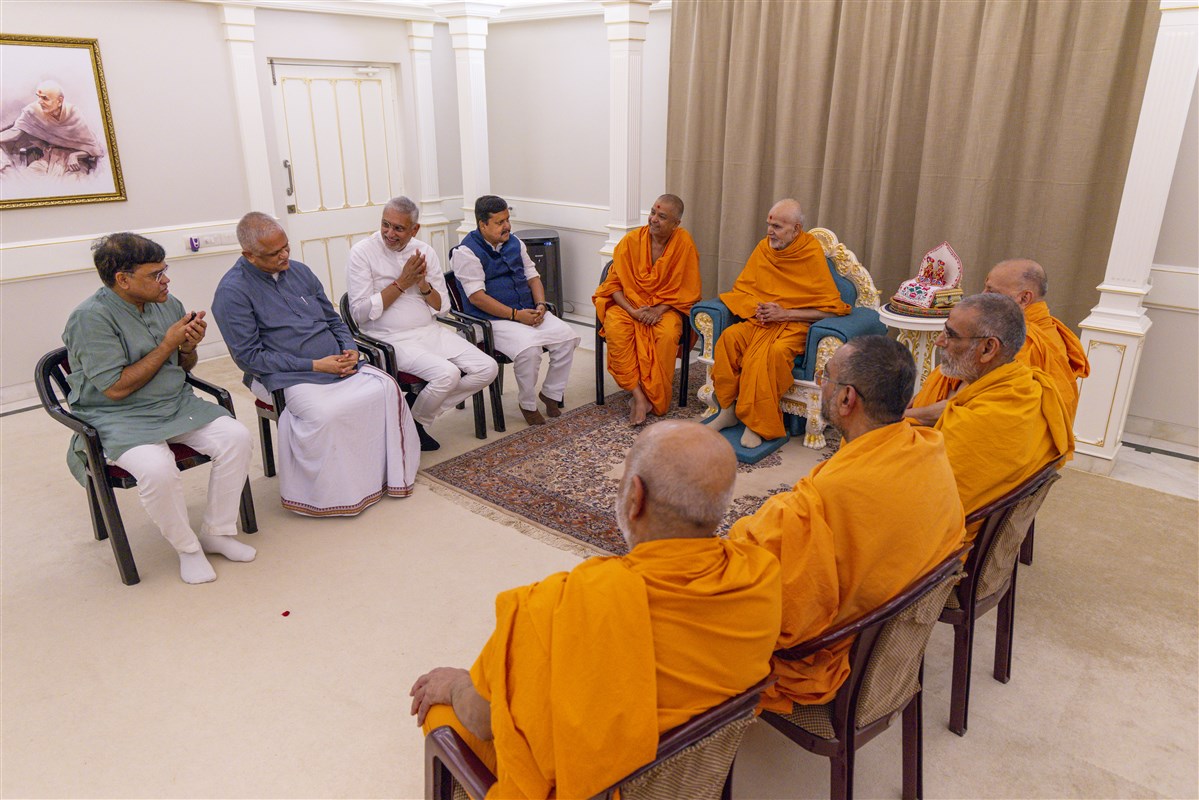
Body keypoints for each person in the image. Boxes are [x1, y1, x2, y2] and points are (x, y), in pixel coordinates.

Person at [410, 421, 782, 799]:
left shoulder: (564, 602)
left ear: (634, 498)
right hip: (682, 780)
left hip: (598, 789)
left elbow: (484, 719)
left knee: (442, 717)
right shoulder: (759, 575)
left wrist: (456, 685)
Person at [729, 335, 966, 710]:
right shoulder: (928, 447)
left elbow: (775, 605)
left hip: (833, 654)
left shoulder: (828, 496)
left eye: (825, 377)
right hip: (884, 629)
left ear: (846, 399)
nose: (820, 385)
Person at [61, 233, 254, 584]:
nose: (166, 280)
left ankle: (217, 532)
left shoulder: (168, 303)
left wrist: (188, 348)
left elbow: (183, 368)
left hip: (173, 403)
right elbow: (115, 389)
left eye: (164, 270)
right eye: (155, 274)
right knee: (158, 469)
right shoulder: (89, 319)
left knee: (236, 437)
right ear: (123, 279)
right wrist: (169, 344)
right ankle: (188, 549)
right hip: (116, 415)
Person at [213, 212, 419, 517]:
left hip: (336, 362)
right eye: (274, 253)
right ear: (249, 256)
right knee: (328, 414)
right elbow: (250, 358)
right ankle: (340, 495)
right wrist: (316, 366)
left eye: (286, 248)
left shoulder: (300, 271)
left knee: (387, 389)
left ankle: (382, 477)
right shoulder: (232, 292)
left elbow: (333, 319)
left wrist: (349, 349)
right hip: (286, 375)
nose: (285, 256)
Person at [906, 293, 1074, 526]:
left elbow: (922, 499)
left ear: (987, 349)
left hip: (942, 540)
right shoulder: (1029, 385)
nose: (939, 342)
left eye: (951, 335)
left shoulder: (979, 422)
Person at [346, 196, 498, 451]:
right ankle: (414, 421)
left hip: (429, 331)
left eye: (398, 228)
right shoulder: (362, 252)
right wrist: (402, 283)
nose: (389, 233)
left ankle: (412, 418)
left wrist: (423, 285)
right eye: (386, 224)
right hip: (389, 338)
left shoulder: (424, 251)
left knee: (487, 368)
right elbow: (359, 313)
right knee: (446, 374)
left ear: (414, 229)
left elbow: (442, 307)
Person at [707, 198, 851, 448]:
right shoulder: (764, 248)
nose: (770, 231)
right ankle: (727, 410)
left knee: (772, 354)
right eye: (769, 224)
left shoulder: (810, 252)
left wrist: (785, 313)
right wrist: (759, 308)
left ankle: (758, 424)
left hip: (793, 325)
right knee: (729, 339)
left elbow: (830, 310)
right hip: (761, 322)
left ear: (796, 229)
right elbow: (744, 289)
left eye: (777, 227)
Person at [907, 258, 1090, 423]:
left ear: (1024, 298)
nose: (982, 294)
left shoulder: (1021, 342)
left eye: (992, 291)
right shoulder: (1044, 329)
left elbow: (961, 408)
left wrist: (903, 416)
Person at [450, 195, 580, 427]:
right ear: (482, 224)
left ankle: (550, 392)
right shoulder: (465, 253)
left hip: (526, 310)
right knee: (529, 349)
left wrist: (540, 305)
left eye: (507, 220)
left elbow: (533, 277)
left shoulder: (515, 243)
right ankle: (528, 404)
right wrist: (515, 315)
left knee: (567, 337)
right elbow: (477, 298)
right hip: (491, 320)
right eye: (500, 222)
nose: (507, 226)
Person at [593, 194, 701, 424]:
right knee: (615, 326)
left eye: (662, 217)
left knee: (667, 333)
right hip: (628, 305)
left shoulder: (684, 243)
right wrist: (632, 311)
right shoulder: (631, 241)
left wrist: (659, 310)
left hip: (665, 307)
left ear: (676, 224)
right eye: (652, 212)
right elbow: (612, 286)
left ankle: (654, 394)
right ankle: (638, 395)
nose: (653, 219)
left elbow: (686, 289)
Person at [0, 80, 106, 177]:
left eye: (45, 98)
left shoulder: (73, 114)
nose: (40, 102)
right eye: (38, 97)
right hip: (47, 158)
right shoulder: (32, 111)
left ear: (59, 101)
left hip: (75, 162)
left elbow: (93, 148)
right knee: (28, 180)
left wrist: (75, 155)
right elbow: (14, 132)